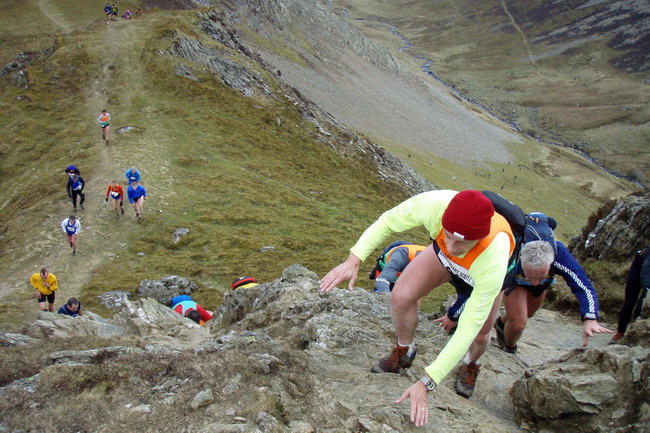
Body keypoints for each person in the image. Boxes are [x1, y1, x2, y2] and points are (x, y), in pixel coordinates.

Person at [320, 190, 516, 427]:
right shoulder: (434, 204)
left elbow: (467, 327)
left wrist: (427, 382)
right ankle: (405, 350)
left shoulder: (494, 255)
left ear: (480, 238)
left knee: (481, 332)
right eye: (449, 235)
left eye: (462, 242)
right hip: (442, 258)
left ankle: (471, 364)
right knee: (401, 296)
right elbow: (388, 220)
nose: (453, 246)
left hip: (480, 271)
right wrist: (354, 259)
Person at [439, 212, 611, 397]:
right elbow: (478, 286)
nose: (536, 281)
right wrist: (454, 314)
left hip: (543, 286)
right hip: (514, 282)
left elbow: (581, 282)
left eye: (541, 275)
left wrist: (590, 317)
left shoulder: (559, 254)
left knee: (528, 313)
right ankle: (508, 345)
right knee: (520, 322)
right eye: (532, 276)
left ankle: (502, 324)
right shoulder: (509, 254)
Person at [611, 245, 650, 343]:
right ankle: (620, 333)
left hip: (646, 268)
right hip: (640, 264)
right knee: (629, 301)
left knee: (642, 304)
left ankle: (632, 335)